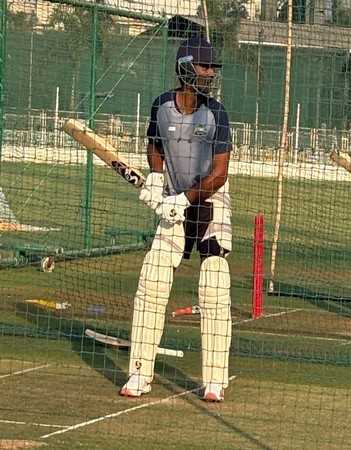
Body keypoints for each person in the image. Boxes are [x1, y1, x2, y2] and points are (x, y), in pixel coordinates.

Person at [119, 36, 233, 402]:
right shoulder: (162, 106)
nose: (211, 73)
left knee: (214, 285)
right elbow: (155, 144)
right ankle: (139, 373)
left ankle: (214, 379)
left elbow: (219, 174)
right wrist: (155, 178)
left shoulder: (217, 114)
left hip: (211, 202)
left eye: (213, 67)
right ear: (185, 67)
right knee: (151, 282)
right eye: (205, 66)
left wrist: (184, 198)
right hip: (171, 202)